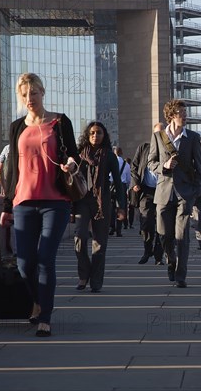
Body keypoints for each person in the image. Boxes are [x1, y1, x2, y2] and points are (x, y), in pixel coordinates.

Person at [0, 72, 79, 337]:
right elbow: (12, 169)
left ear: (42, 92)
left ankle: (44, 317)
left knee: (45, 258)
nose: (29, 98)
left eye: (33, 93)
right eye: (24, 94)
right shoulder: (17, 127)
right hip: (23, 201)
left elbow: (75, 157)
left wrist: (71, 164)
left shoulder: (59, 122)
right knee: (24, 263)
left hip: (55, 201)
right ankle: (37, 300)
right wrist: (7, 206)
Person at [148, 99, 201, 288]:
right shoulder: (158, 137)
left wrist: (196, 191)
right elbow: (150, 162)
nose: (185, 116)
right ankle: (171, 260)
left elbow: (199, 167)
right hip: (163, 192)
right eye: (181, 113)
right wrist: (163, 166)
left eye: (185, 113)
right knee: (164, 234)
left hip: (185, 194)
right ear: (171, 115)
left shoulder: (193, 138)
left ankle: (181, 275)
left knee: (182, 236)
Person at [73, 121, 126, 293]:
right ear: (87, 135)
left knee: (100, 244)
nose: (96, 136)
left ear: (104, 136)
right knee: (80, 238)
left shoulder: (109, 155)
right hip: (82, 201)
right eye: (93, 133)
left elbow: (118, 183)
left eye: (99, 133)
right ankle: (84, 274)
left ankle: (95, 281)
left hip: (102, 201)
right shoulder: (79, 154)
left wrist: (121, 207)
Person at [131, 122, 164, 265]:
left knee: (162, 225)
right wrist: (135, 183)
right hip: (147, 191)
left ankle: (158, 256)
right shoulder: (144, 148)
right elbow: (134, 167)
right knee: (146, 222)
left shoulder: (169, 150)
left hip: (163, 191)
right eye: (157, 133)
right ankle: (147, 249)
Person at [0, 144, 14, 254]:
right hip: (25, 191)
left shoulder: (7, 148)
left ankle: (8, 248)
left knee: (9, 220)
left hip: (10, 191)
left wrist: (4, 187)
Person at [109, 147, 130, 237]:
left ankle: (112, 227)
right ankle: (119, 231)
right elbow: (129, 179)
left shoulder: (111, 162)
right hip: (122, 186)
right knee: (120, 208)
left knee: (111, 208)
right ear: (121, 153)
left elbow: (109, 175)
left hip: (112, 186)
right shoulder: (126, 164)